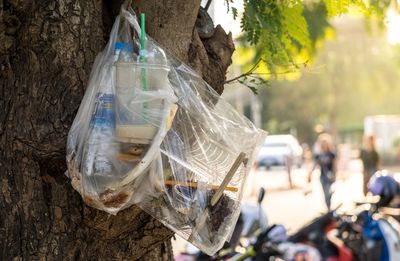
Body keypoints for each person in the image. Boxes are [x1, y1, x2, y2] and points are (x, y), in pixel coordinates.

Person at [308, 134, 336, 210]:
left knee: (329, 191)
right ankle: (328, 207)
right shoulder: (318, 155)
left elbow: (334, 164)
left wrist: (335, 174)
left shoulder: (331, 154)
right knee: (325, 192)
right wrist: (310, 173)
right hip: (323, 176)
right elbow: (315, 164)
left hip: (330, 176)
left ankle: (329, 205)